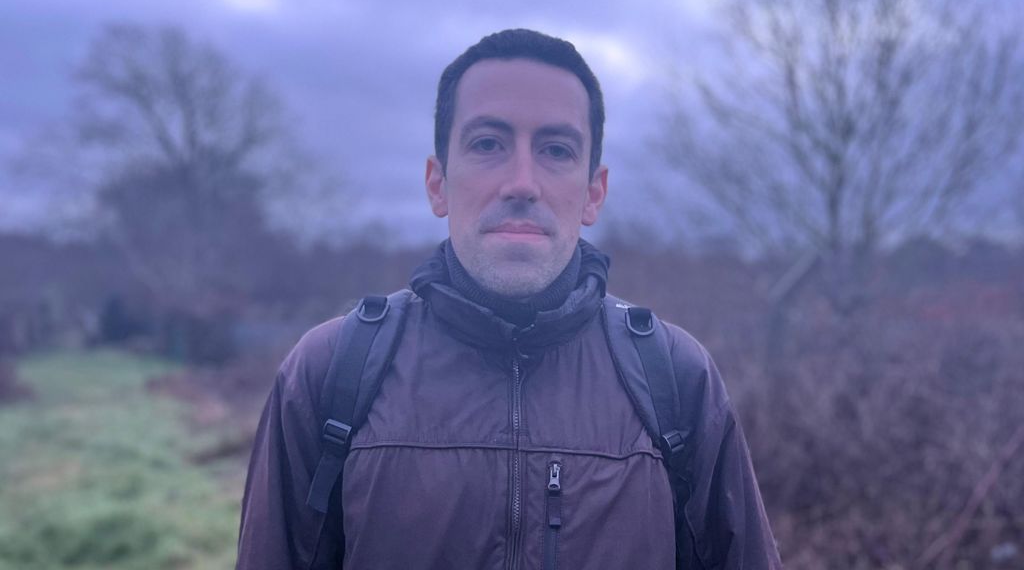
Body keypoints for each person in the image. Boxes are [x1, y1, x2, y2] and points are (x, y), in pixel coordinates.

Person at [236, 29, 781, 570]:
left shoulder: (677, 380)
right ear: (437, 183)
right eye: (488, 144)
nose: (522, 182)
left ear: (594, 191)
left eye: (556, 150)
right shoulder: (331, 373)